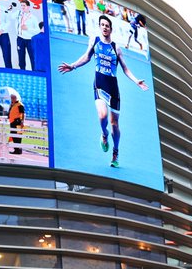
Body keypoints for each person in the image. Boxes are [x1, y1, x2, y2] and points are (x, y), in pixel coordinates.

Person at [57, 14, 148, 170]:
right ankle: (104, 136)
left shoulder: (116, 47)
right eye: (102, 25)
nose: (104, 27)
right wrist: (73, 66)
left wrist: (136, 80)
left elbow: (125, 68)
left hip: (113, 88)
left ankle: (115, 152)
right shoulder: (95, 41)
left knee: (115, 124)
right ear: (99, 27)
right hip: (99, 84)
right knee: (102, 115)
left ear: (111, 29)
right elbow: (86, 57)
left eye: (107, 25)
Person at [15, 0, 41, 70]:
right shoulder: (18, 15)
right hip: (20, 39)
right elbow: (11, 17)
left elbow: (38, 31)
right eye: (21, 5)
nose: (22, 7)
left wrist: (28, 28)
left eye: (24, 5)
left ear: (28, 7)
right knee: (21, 59)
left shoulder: (33, 17)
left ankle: (35, 73)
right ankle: (22, 72)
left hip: (30, 40)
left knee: (32, 58)